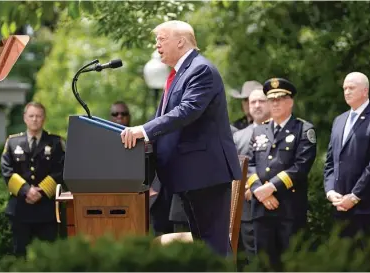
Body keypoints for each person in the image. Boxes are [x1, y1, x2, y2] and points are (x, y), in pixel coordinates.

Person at [121, 20, 241, 256]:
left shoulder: (201, 69)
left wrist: (143, 130)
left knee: (212, 246)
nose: (156, 45)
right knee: (202, 245)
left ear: (180, 41)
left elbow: (187, 110)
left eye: (161, 39)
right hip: (190, 175)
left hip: (206, 174)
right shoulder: (178, 75)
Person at [247, 78, 316, 269]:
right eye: (272, 100)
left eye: (280, 98)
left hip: (289, 209)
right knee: (264, 264)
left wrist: (270, 187)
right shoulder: (258, 131)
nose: (275, 103)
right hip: (261, 210)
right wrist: (259, 190)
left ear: (290, 101)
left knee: (291, 264)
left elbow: (301, 166)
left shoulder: (303, 129)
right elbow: (250, 164)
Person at [324, 72, 370, 240]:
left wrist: (355, 196)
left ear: (365, 91)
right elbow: (330, 161)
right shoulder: (339, 121)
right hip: (340, 207)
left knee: (369, 265)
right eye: (345, 88)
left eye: (351, 88)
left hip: (368, 209)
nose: (347, 92)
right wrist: (330, 191)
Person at [1, 102, 65, 256]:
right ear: (25, 118)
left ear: (44, 119)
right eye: (31, 116)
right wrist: (26, 190)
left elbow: (60, 169)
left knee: (48, 257)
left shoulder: (56, 143)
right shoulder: (12, 142)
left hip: (46, 210)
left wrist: (41, 191)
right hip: (20, 210)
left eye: (38, 116)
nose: (35, 119)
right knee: (20, 256)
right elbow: (6, 170)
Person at [233, 86, 270, 263]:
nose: (255, 105)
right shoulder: (238, 137)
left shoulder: (281, 133)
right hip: (245, 211)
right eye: (251, 102)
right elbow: (231, 171)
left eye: (261, 101)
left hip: (274, 207)